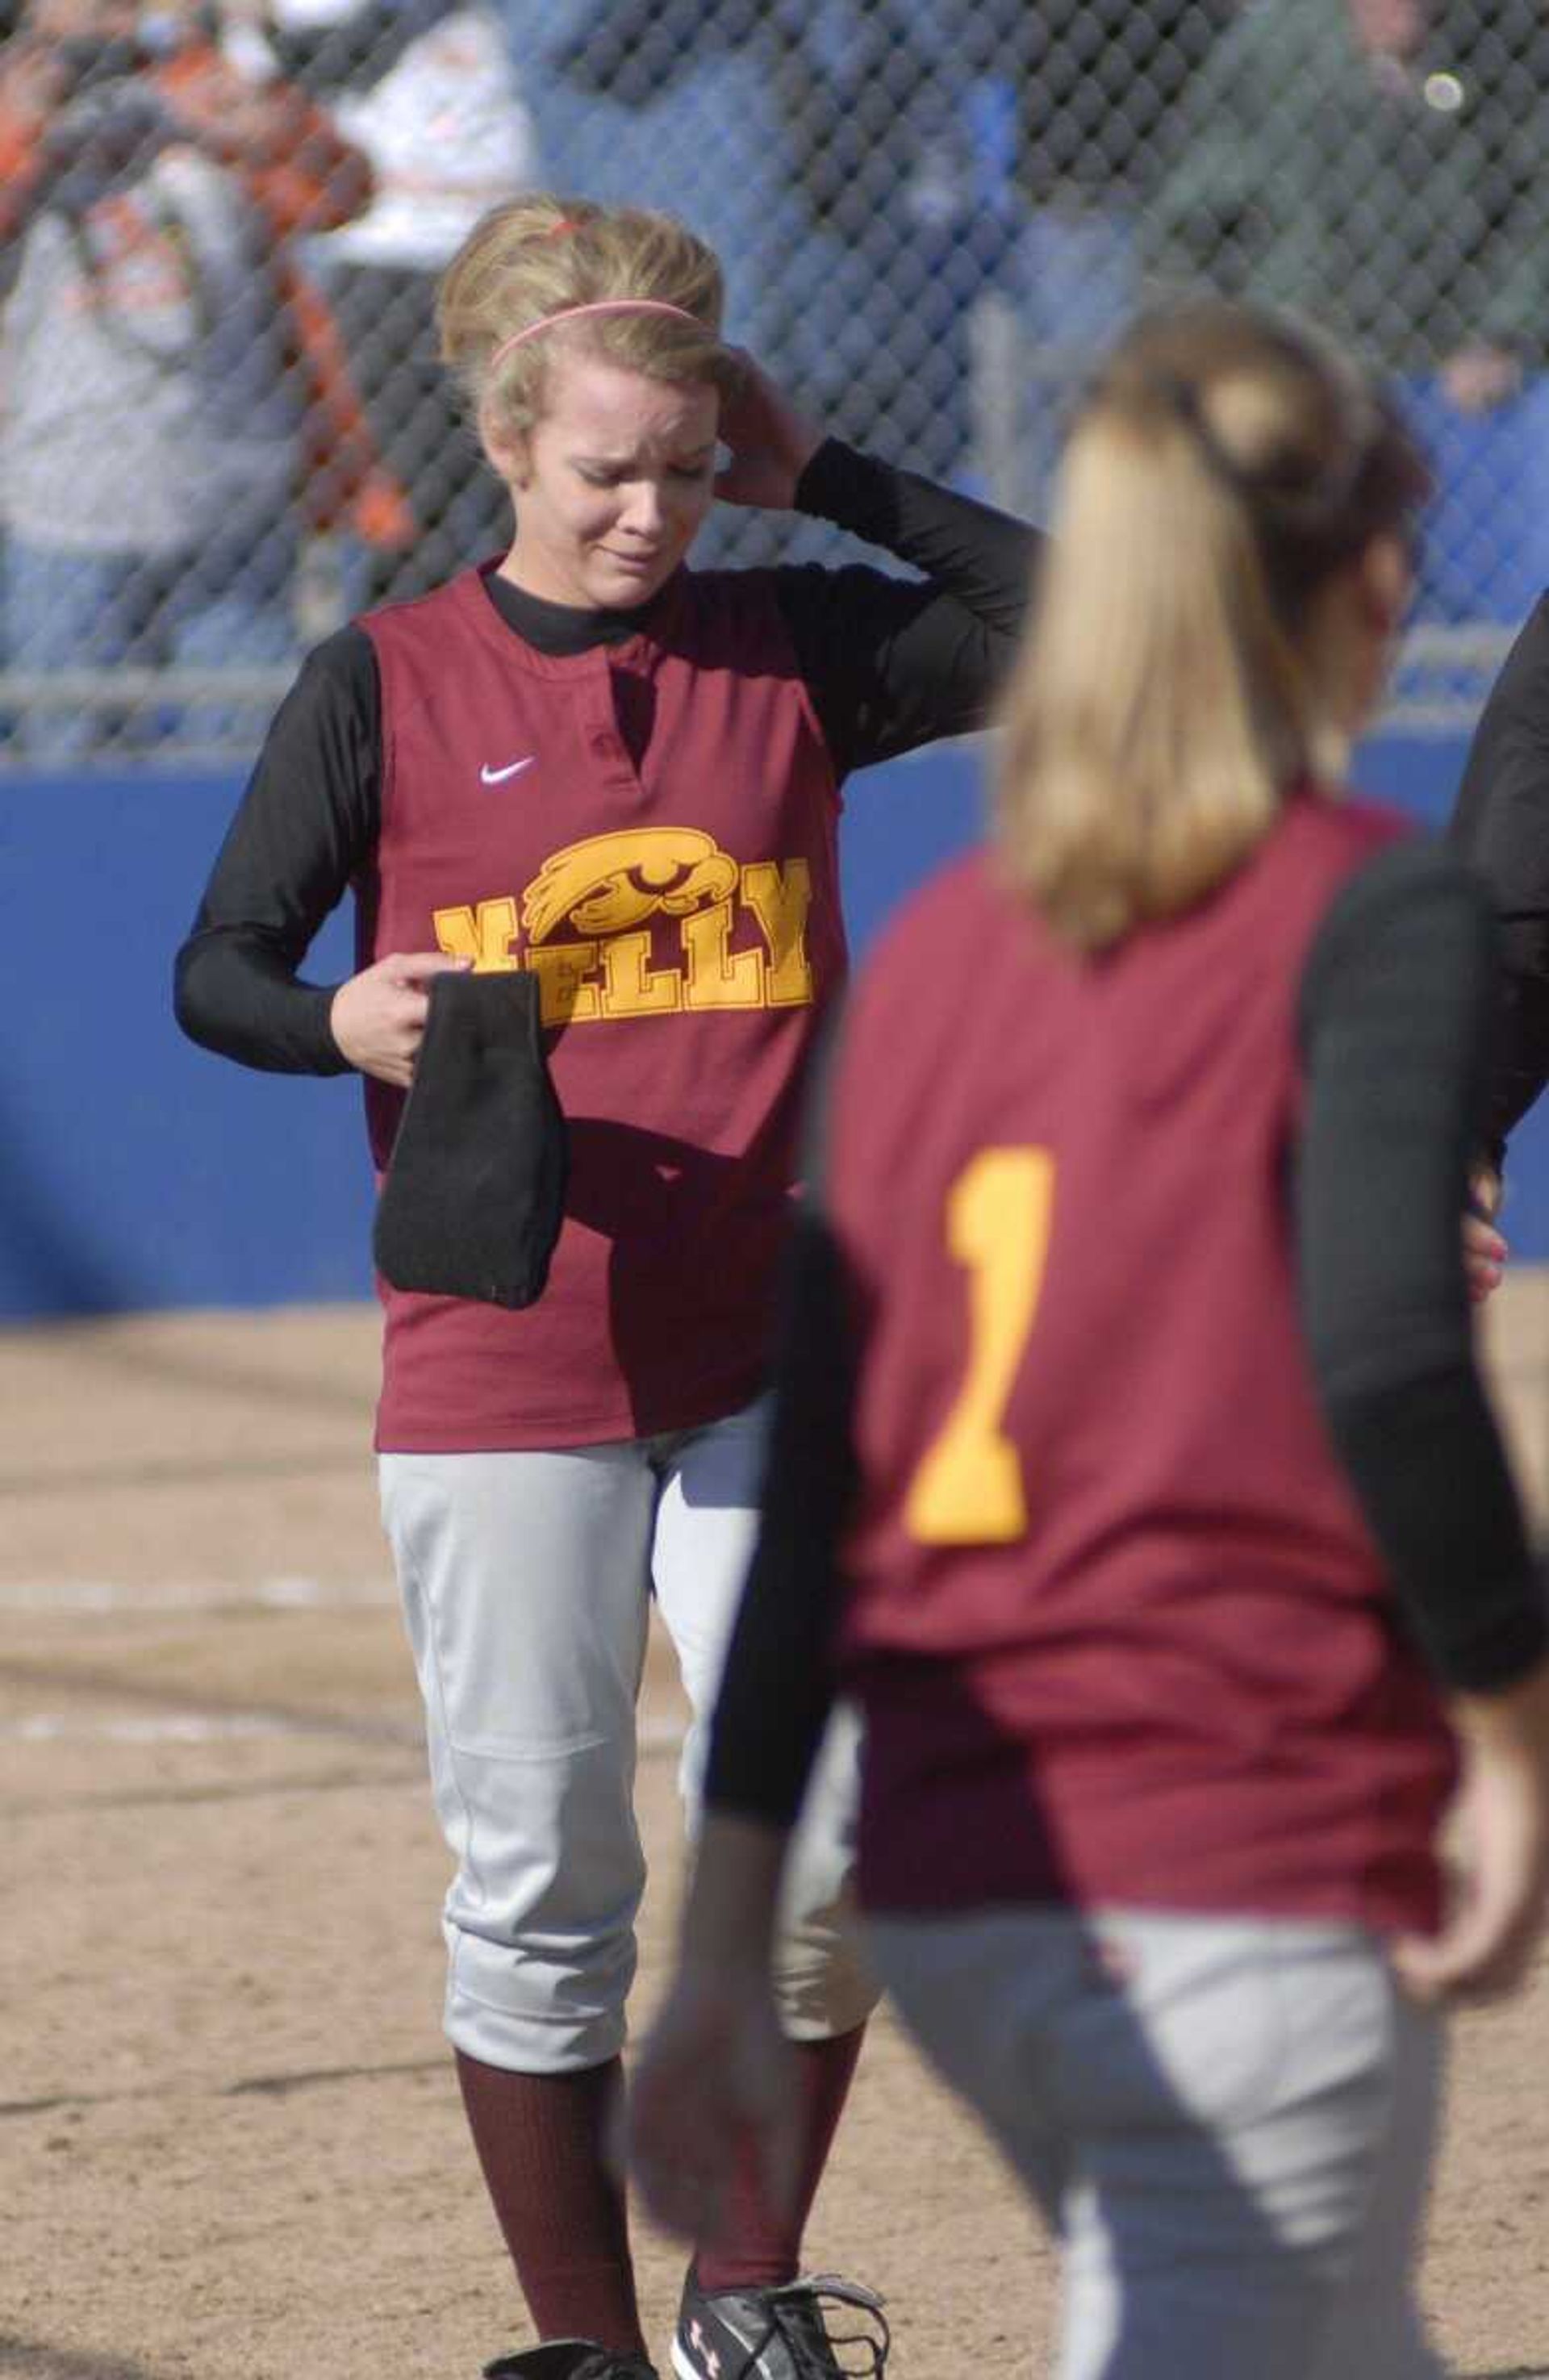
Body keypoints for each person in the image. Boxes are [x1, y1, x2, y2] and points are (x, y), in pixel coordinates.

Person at [627, 301, 1549, 2380]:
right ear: (1370, 579)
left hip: (964, 1884)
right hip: (1227, 1850)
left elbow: (832, 1469)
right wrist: (1511, 1737)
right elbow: (1392, 1364)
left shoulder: (949, 948)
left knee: (1326, 2333)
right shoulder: (1361, 907)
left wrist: (726, 1930)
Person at [173, 192, 1038, 2380]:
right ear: (502, 444)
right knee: (549, 1880)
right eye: (604, 468)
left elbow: (1078, 608)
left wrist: (817, 463)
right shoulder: (384, 675)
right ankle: (589, 2347)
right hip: (511, 1349)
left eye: (682, 461)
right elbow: (219, 966)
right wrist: (337, 1021)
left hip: (767, 1337)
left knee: (846, 1828)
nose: (649, 509)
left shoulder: (792, 642)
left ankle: (745, 2281)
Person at [0, 0, 371, 757]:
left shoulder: (203, 83)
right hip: (64, 508)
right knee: (69, 754)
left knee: (244, 757)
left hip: (231, 498)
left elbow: (343, 193)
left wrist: (264, 132)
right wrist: (23, 124)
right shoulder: (15, 103)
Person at [1143, 0, 1549, 626]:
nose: (1405, 15)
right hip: (1307, 355)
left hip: (1453, 361)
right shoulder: (1277, 48)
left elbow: (1534, 203)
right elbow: (1189, 217)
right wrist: (1230, 340)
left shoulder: (1491, 42)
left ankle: (1485, 682)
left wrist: (1504, 330)